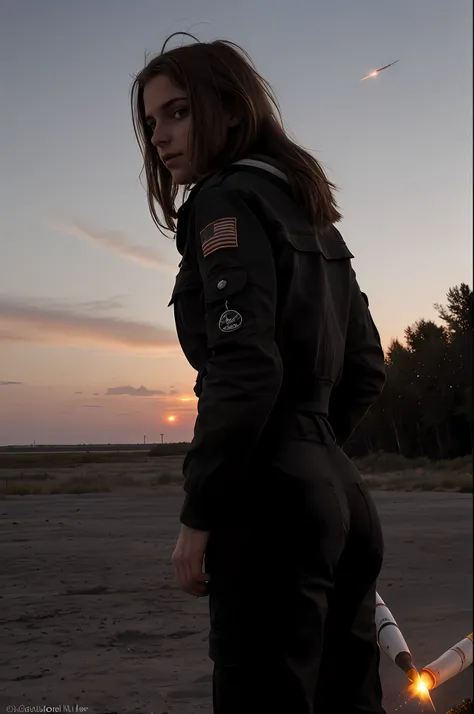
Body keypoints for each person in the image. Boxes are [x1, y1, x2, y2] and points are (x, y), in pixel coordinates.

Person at [131, 32, 387, 714]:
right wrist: (313, 453)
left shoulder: (224, 202)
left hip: (272, 506)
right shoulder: (312, 217)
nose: (159, 136)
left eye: (178, 112)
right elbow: (365, 365)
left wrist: (201, 511)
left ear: (231, 111)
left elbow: (245, 365)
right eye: (152, 121)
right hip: (343, 502)